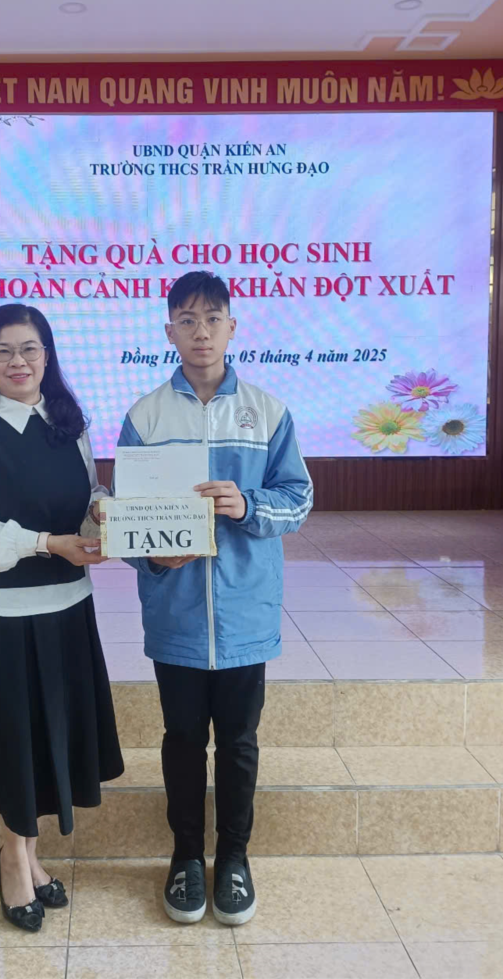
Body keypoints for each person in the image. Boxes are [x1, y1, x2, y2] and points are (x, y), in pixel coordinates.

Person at [117, 271, 312, 927]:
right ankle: (184, 857)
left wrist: (246, 504)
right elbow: (126, 519)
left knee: (237, 741)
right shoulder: (145, 416)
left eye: (212, 319)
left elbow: (298, 499)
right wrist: (151, 554)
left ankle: (233, 858)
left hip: (243, 613)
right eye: (187, 320)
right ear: (168, 330)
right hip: (175, 613)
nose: (200, 332)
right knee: (180, 739)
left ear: (233, 327)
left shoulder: (267, 411)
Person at [0, 303, 124, 933]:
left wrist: (102, 511)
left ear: (47, 356)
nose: (17, 361)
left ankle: (27, 853)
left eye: (29, 348)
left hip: (68, 606)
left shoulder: (68, 421)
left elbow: (88, 492)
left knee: (50, 741)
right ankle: (14, 859)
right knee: (14, 741)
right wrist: (49, 543)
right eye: (3, 350)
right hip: (4, 614)